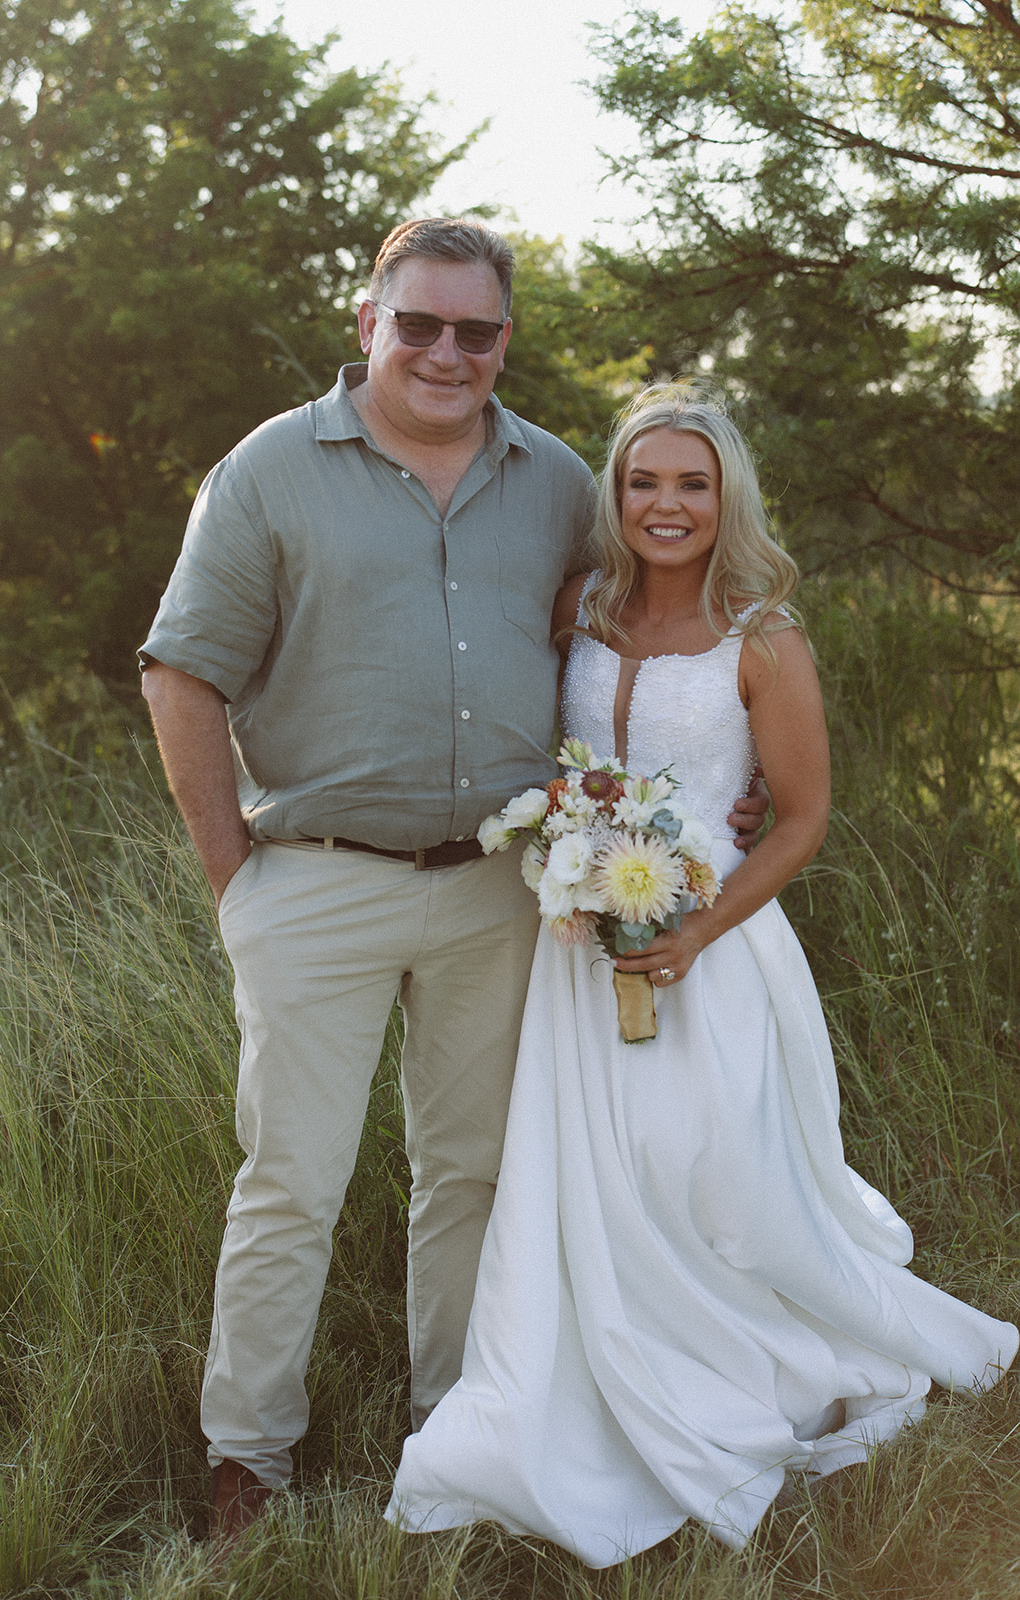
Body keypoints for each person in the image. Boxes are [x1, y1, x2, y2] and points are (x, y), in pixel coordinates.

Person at [138, 221, 767, 1539]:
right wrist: (229, 874)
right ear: (365, 321)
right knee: (289, 1180)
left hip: (500, 891)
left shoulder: (551, 479)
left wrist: (705, 782)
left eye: (472, 331)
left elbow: (620, 636)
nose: (443, 352)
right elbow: (181, 671)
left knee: (472, 1173)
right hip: (311, 878)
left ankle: (456, 1428)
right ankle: (249, 1452)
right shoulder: (267, 471)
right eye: (416, 323)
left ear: (502, 341)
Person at [385, 384, 1019, 1564]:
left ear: (726, 496)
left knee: (709, 1167)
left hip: (708, 942)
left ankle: (753, 1349)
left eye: (690, 483)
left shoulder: (761, 634)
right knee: (590, 1172)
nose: (664, 504)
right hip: (579, 947)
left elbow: (800, 816)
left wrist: (695, 929)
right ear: (613, 495)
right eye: (642, 481)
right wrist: (573, 865)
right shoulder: (575, 606)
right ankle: (584, 1367)